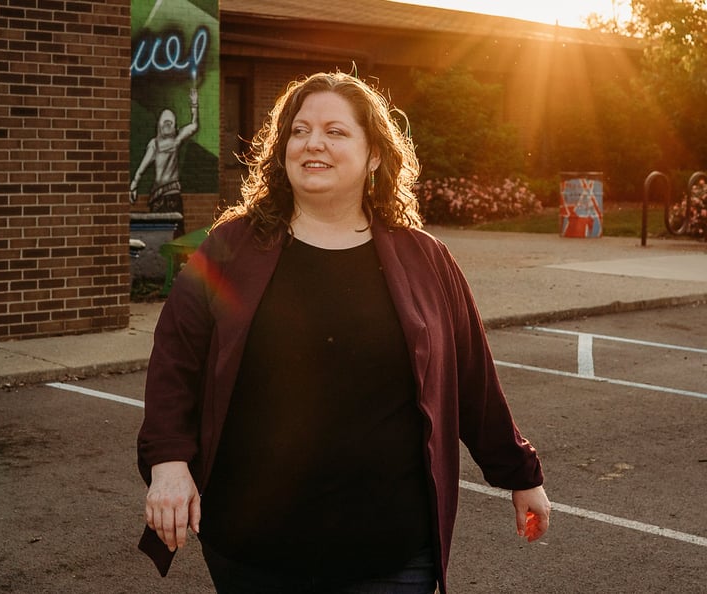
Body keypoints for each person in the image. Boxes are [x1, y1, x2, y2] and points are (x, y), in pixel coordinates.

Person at [137, 71, 551, 594]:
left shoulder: (424, 260)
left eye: (336, 131)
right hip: (253, 548)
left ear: (374, 154)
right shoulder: (232, 248)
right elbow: (176, 359)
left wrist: (520, 473)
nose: (314, 143)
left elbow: (472, 380)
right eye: (300, 130)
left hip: (390, 553)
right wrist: (169, 463)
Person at [130, 87, 200, 237]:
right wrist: (134, 185)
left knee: (169, 231)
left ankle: (174, 258)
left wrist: (194, 105)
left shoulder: (173, 140)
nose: (167, 126)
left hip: (168, 193)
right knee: (163, 231)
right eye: (165, 123)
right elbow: (142, 168)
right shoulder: (156, 144)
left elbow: (194, 126)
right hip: (162, 194)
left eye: (170, 123)